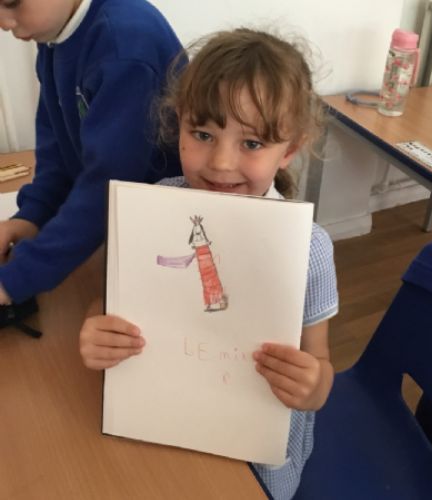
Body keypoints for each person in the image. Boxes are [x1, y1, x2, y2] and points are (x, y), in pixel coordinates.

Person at [79, 28, 338, 500]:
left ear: (290, 149)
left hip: (255, 459)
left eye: (252, 143)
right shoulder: (156, 206)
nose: (220, 163)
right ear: (178, 124)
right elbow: (112, 304)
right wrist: (99, 328)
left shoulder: (309, 249)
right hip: (162, 426)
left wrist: (313, 384)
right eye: (202, 134)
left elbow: (319, 365)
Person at [0, 0, 183, 306]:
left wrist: (15, 280)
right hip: (115, 227)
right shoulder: (56, 34)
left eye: (11, 3)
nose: (4, 23)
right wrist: (33, 215)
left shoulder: (124, 44)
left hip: (166, 242)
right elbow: (57, 146)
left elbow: (109, 187)